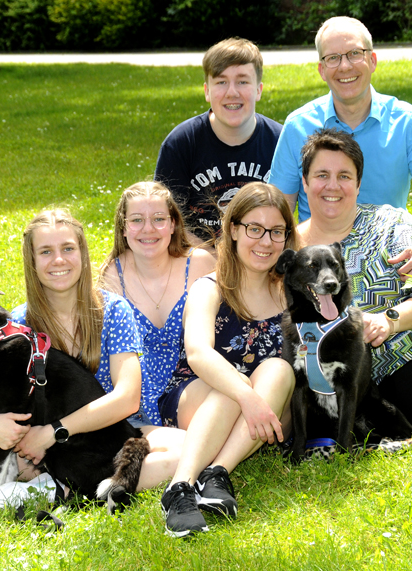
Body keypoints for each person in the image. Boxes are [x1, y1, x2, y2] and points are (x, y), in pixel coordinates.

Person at [0, 209, 182, 543]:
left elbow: (127, 399)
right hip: (31, 448)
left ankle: (61, 489)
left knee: (187, 448)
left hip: (106, 432)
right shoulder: (17, 325)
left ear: (83, 253)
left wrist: (53, 433)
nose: (58, 260)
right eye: (46, 251)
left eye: (68, 248)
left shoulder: (113, 310)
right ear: (32, 261)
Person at [296, 128, 412, 439]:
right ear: (305, 182)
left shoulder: (388, 223)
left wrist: (389, 321)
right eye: (322, 175)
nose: (333, 185)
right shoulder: (292, 253)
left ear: (358, 183)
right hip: (403, 359)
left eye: (344, 176)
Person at [268, 16, 412, 279]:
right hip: (319, 269)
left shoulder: (407, 122)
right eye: (333, 58)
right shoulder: (298, 126)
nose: (344, 66)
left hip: (389, 265)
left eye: (355, 54)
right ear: (322, 70)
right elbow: (277, 210)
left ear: (373, 60)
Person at [157, 182, 297, 538]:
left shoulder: (290, 291)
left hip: (266, 405)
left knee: (279, 369)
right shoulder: (211, 287)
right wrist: (246, 395)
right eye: (255, 229)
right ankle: (180, 488)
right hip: (198, 394)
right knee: (230, 386)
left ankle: (217, 473)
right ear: (233, 230)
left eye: (276, 231)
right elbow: (198, 353)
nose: (266, 241)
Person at [100, 181, 216, 427]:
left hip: (192, 387)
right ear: (123, 228)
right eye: (137, 220)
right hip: (136, 399)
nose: (148, 229)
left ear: (173, 224)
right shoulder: (112, 276)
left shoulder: (200, 265)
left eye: (158, 219)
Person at [154, 37, 283, 245]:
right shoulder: (181, 143)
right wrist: (212, 258)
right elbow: (167, 219)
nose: (232, 92)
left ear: (258, 90)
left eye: (242, 81)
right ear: (207, 91)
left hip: (263, 252)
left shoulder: (281, 142)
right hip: (197, 255)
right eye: (221, 82)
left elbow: (287, 218)